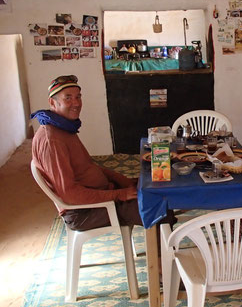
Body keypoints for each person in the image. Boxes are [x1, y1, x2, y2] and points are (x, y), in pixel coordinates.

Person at [31, 75, 174, 231]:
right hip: (83, 212)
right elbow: (70, 195)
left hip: (100, 193)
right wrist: (120, 195)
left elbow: (88, 167)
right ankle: (161, 255)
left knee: (155, 189)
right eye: (68, 98)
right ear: (52, 102)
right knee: (158, 210)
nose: (76, 103)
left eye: (78, 97)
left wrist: (123, 180)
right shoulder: (52, 140)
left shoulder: (63, 128)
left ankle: (165, 246)